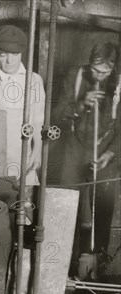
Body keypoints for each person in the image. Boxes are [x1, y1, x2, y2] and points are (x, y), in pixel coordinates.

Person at [54, 42, 120, 258]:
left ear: (113, 69)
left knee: (103, 203)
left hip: (105, 150)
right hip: (74, 145)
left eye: (105, 72)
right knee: (66, 202)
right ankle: (65, 260)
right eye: (94, 69)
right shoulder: (76, 75)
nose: (99, 76)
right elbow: (57, 114)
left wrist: (110, 153)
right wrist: (82, 104)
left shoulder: (119, 84)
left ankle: (97, 261)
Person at [0, 25, 45, 184]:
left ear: (22, 52)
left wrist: (37, 150)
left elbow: (38, 120)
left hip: (27, 166)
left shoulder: (35, 81)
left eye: (15, 54)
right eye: (3, 55)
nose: (10, 61)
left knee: (30, 207)